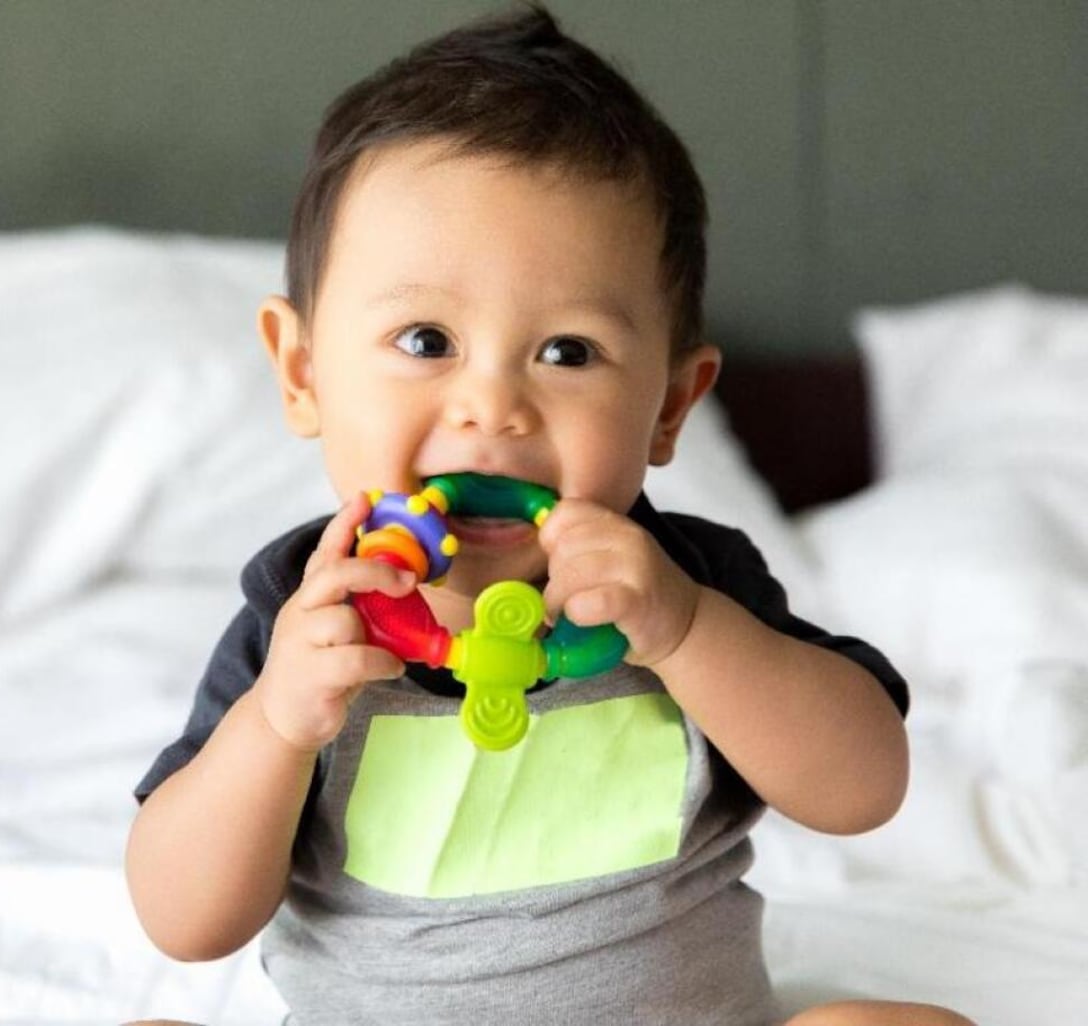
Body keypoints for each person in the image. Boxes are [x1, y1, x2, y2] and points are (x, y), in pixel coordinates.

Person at [126, 6, 973, 1025]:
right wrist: (273, 727)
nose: (494, 407)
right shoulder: (301, 622)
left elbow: (864, 789)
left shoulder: (690, 585)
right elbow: (184, 921)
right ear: (303, 371)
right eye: (426, 340)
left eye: (568, 352)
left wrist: (688, 634)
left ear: (669, 406)